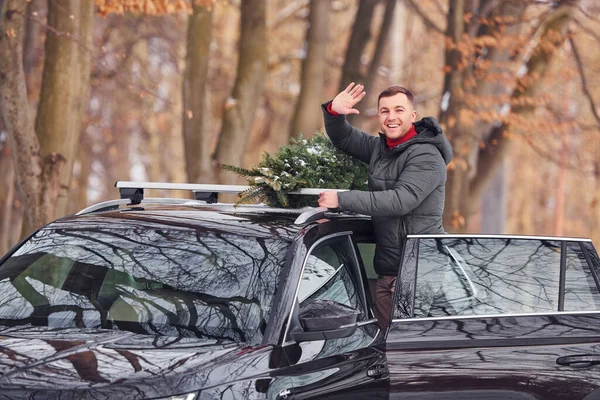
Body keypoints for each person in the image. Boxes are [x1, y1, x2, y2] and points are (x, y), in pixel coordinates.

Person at [318, 82, 453, 329]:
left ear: (412, 116)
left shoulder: (426, 155)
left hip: (417, 272)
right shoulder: (381, 150)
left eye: (399, 110)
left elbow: (400, 200)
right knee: (385, 350)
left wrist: (342, 199)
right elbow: (345, 137)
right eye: (384, 111)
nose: (391, 117)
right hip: (390, 270)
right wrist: (335, 113)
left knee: (404, 354)